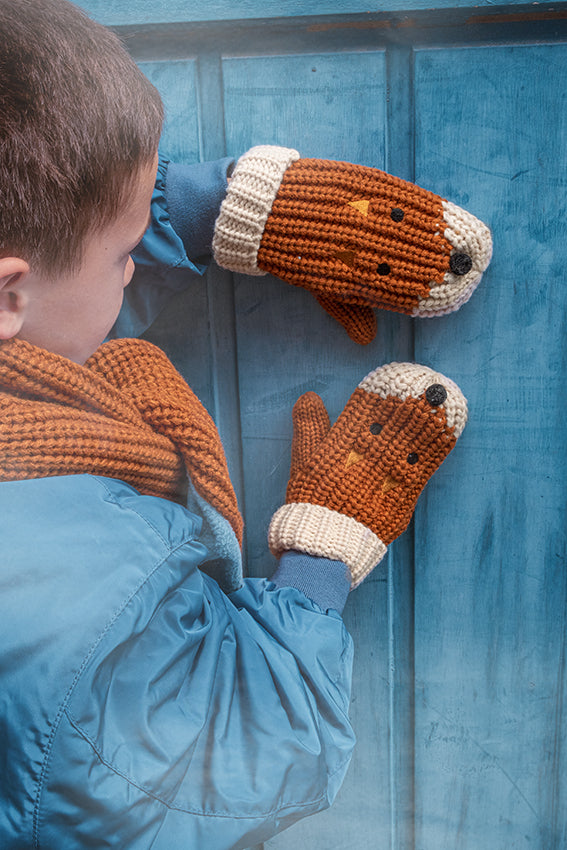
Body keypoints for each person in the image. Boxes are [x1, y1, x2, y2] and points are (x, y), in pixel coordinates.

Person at [0, 1, 491, 848]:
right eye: (124, 252)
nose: (129, 267)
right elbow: (244, 753)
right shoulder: (85, 584)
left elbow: (48, 316)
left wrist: (210, 210)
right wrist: (322, 553)